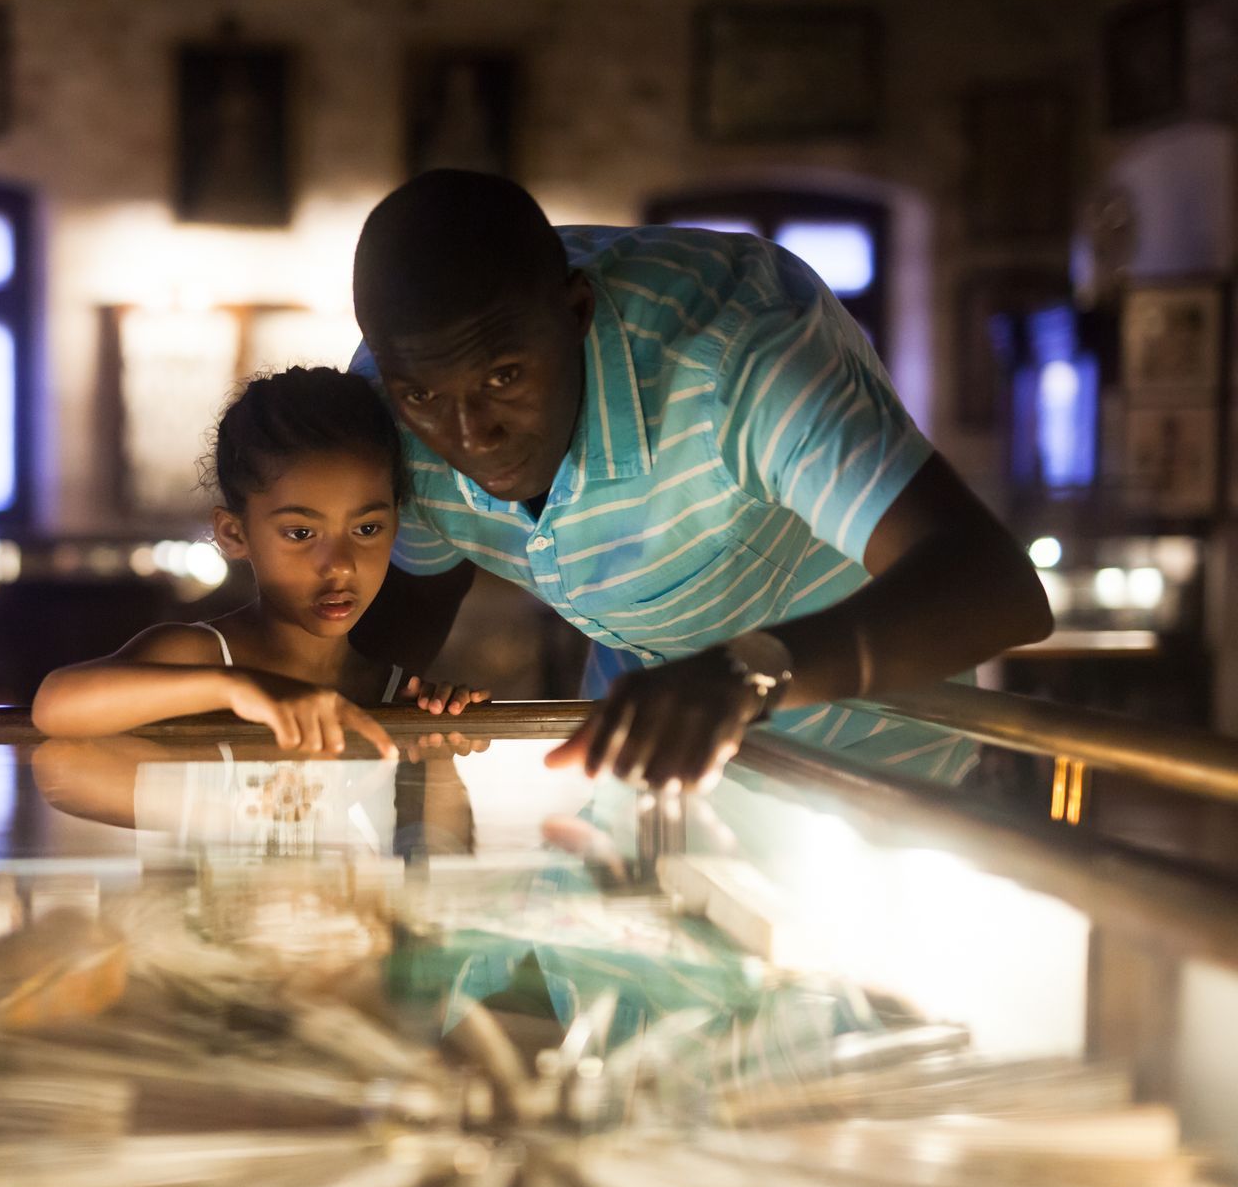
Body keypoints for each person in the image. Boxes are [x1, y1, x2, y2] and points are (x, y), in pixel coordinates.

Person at [346, 171, 1053, 789]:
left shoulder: (740, 354)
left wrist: (749, 673)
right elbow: (412, 591)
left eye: (504, 378)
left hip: (866, 780)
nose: (469, 435)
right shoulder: (398, 387)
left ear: (576, 314)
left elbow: (996, 588)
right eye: (426, 399)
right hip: (655, 770)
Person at [34, 366, 490, 754]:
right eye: (301, 533)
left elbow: (424, 850)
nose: (340, 566)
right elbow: (54, 706)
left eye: (367, 529)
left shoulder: (391, 691)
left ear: (397, 522)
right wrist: (240, 688)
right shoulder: (203, 658)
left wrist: (440, 753)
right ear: (235, 533)